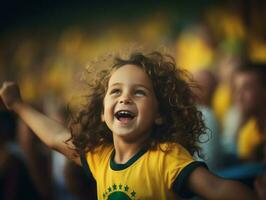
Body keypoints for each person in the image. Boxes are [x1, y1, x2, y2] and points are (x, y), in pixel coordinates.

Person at [0, 51, 258, 199]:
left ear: (159, 114)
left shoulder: (167, 158)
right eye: (115, 91)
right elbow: (56, 136)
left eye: (139, 92)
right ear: (102, 113)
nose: (125, 97)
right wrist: (18, 105)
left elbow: (217, 187)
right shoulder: (99, 158)